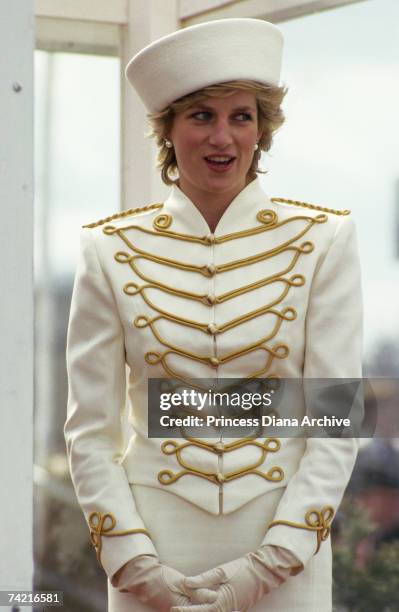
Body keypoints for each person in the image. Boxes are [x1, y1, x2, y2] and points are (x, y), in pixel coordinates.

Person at [64, 18, 363, 612]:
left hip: (286, 551)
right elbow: (89, 433)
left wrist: (274, 561)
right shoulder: (108, 249)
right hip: (153, 549)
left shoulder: (326, 239)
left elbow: (336, 420)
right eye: (201, 116)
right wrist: (133, 561)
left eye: (241, 116)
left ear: (262, 130)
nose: (222, 136)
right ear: (168, 130)